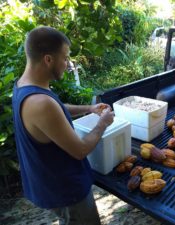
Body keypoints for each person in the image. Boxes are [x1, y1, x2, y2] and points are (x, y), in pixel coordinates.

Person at [12, 26, 114, 224]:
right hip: (66, 190)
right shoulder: (41, 103)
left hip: (49, 184)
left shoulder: (23, 85)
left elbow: (57, 109)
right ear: (48, 59)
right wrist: (103, 123)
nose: (67, 64)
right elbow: (80, 150)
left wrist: (89, 108)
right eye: (65, 58)